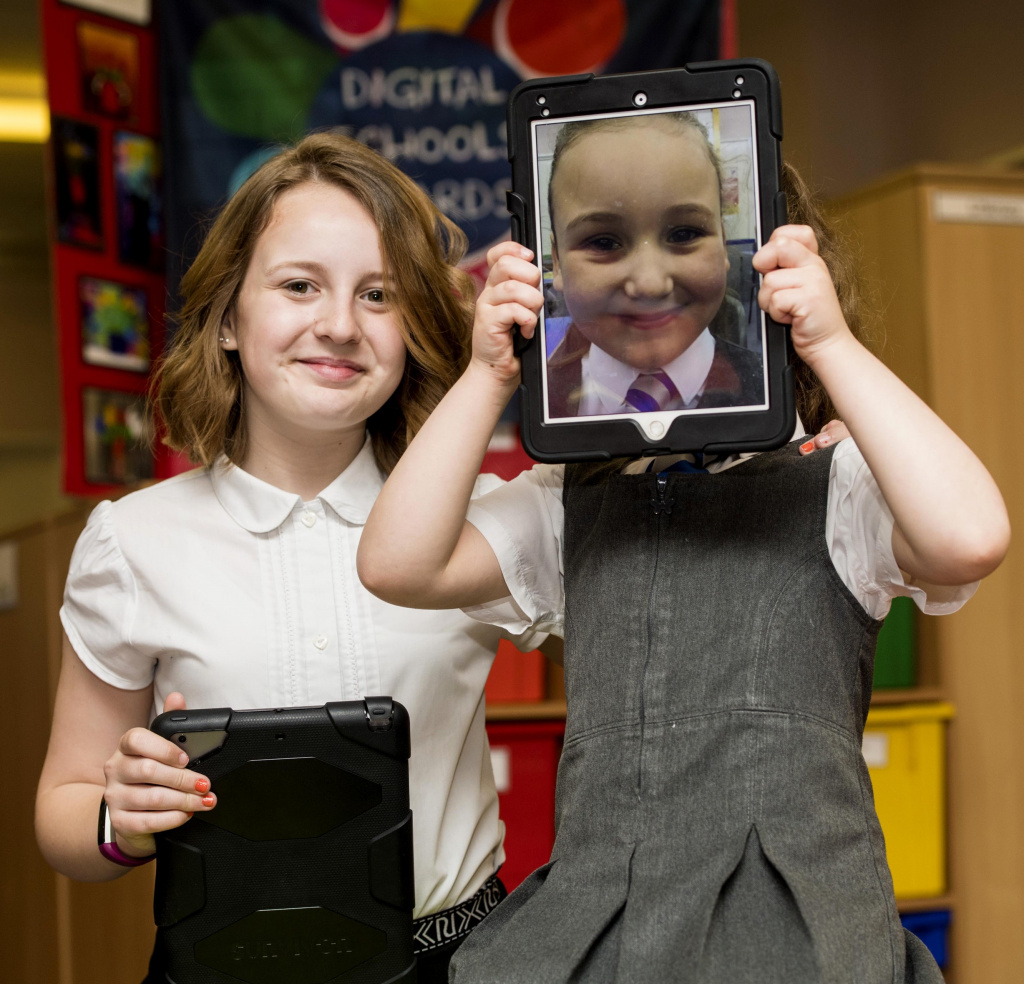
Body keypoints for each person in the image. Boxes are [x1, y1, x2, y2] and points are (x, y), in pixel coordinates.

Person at [357, 163, 1011, 983]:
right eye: (603, 246)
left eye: (685, 237)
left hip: (801, 939)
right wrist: (490, 376)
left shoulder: (836, 482)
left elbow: (971, 537)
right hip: (605, 929)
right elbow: (395, 563)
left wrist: (832, 346)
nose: (647, 278)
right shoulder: (569, 502)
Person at [34, 131, 549, 984]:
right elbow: (64, 814)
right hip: (223, 963)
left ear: (417, 325)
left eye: (378, 294)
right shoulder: (132, 540)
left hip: (456, 962)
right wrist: (117, 819)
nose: (339, 325)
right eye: (299, 285)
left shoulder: (484, 521)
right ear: (229, 316)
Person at [543, 112, 763, 418]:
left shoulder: (778, 392)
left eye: (684, 234)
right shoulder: (526, 399)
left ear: (723, 244)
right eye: (604, 243)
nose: (650, 284)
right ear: (557, 260)